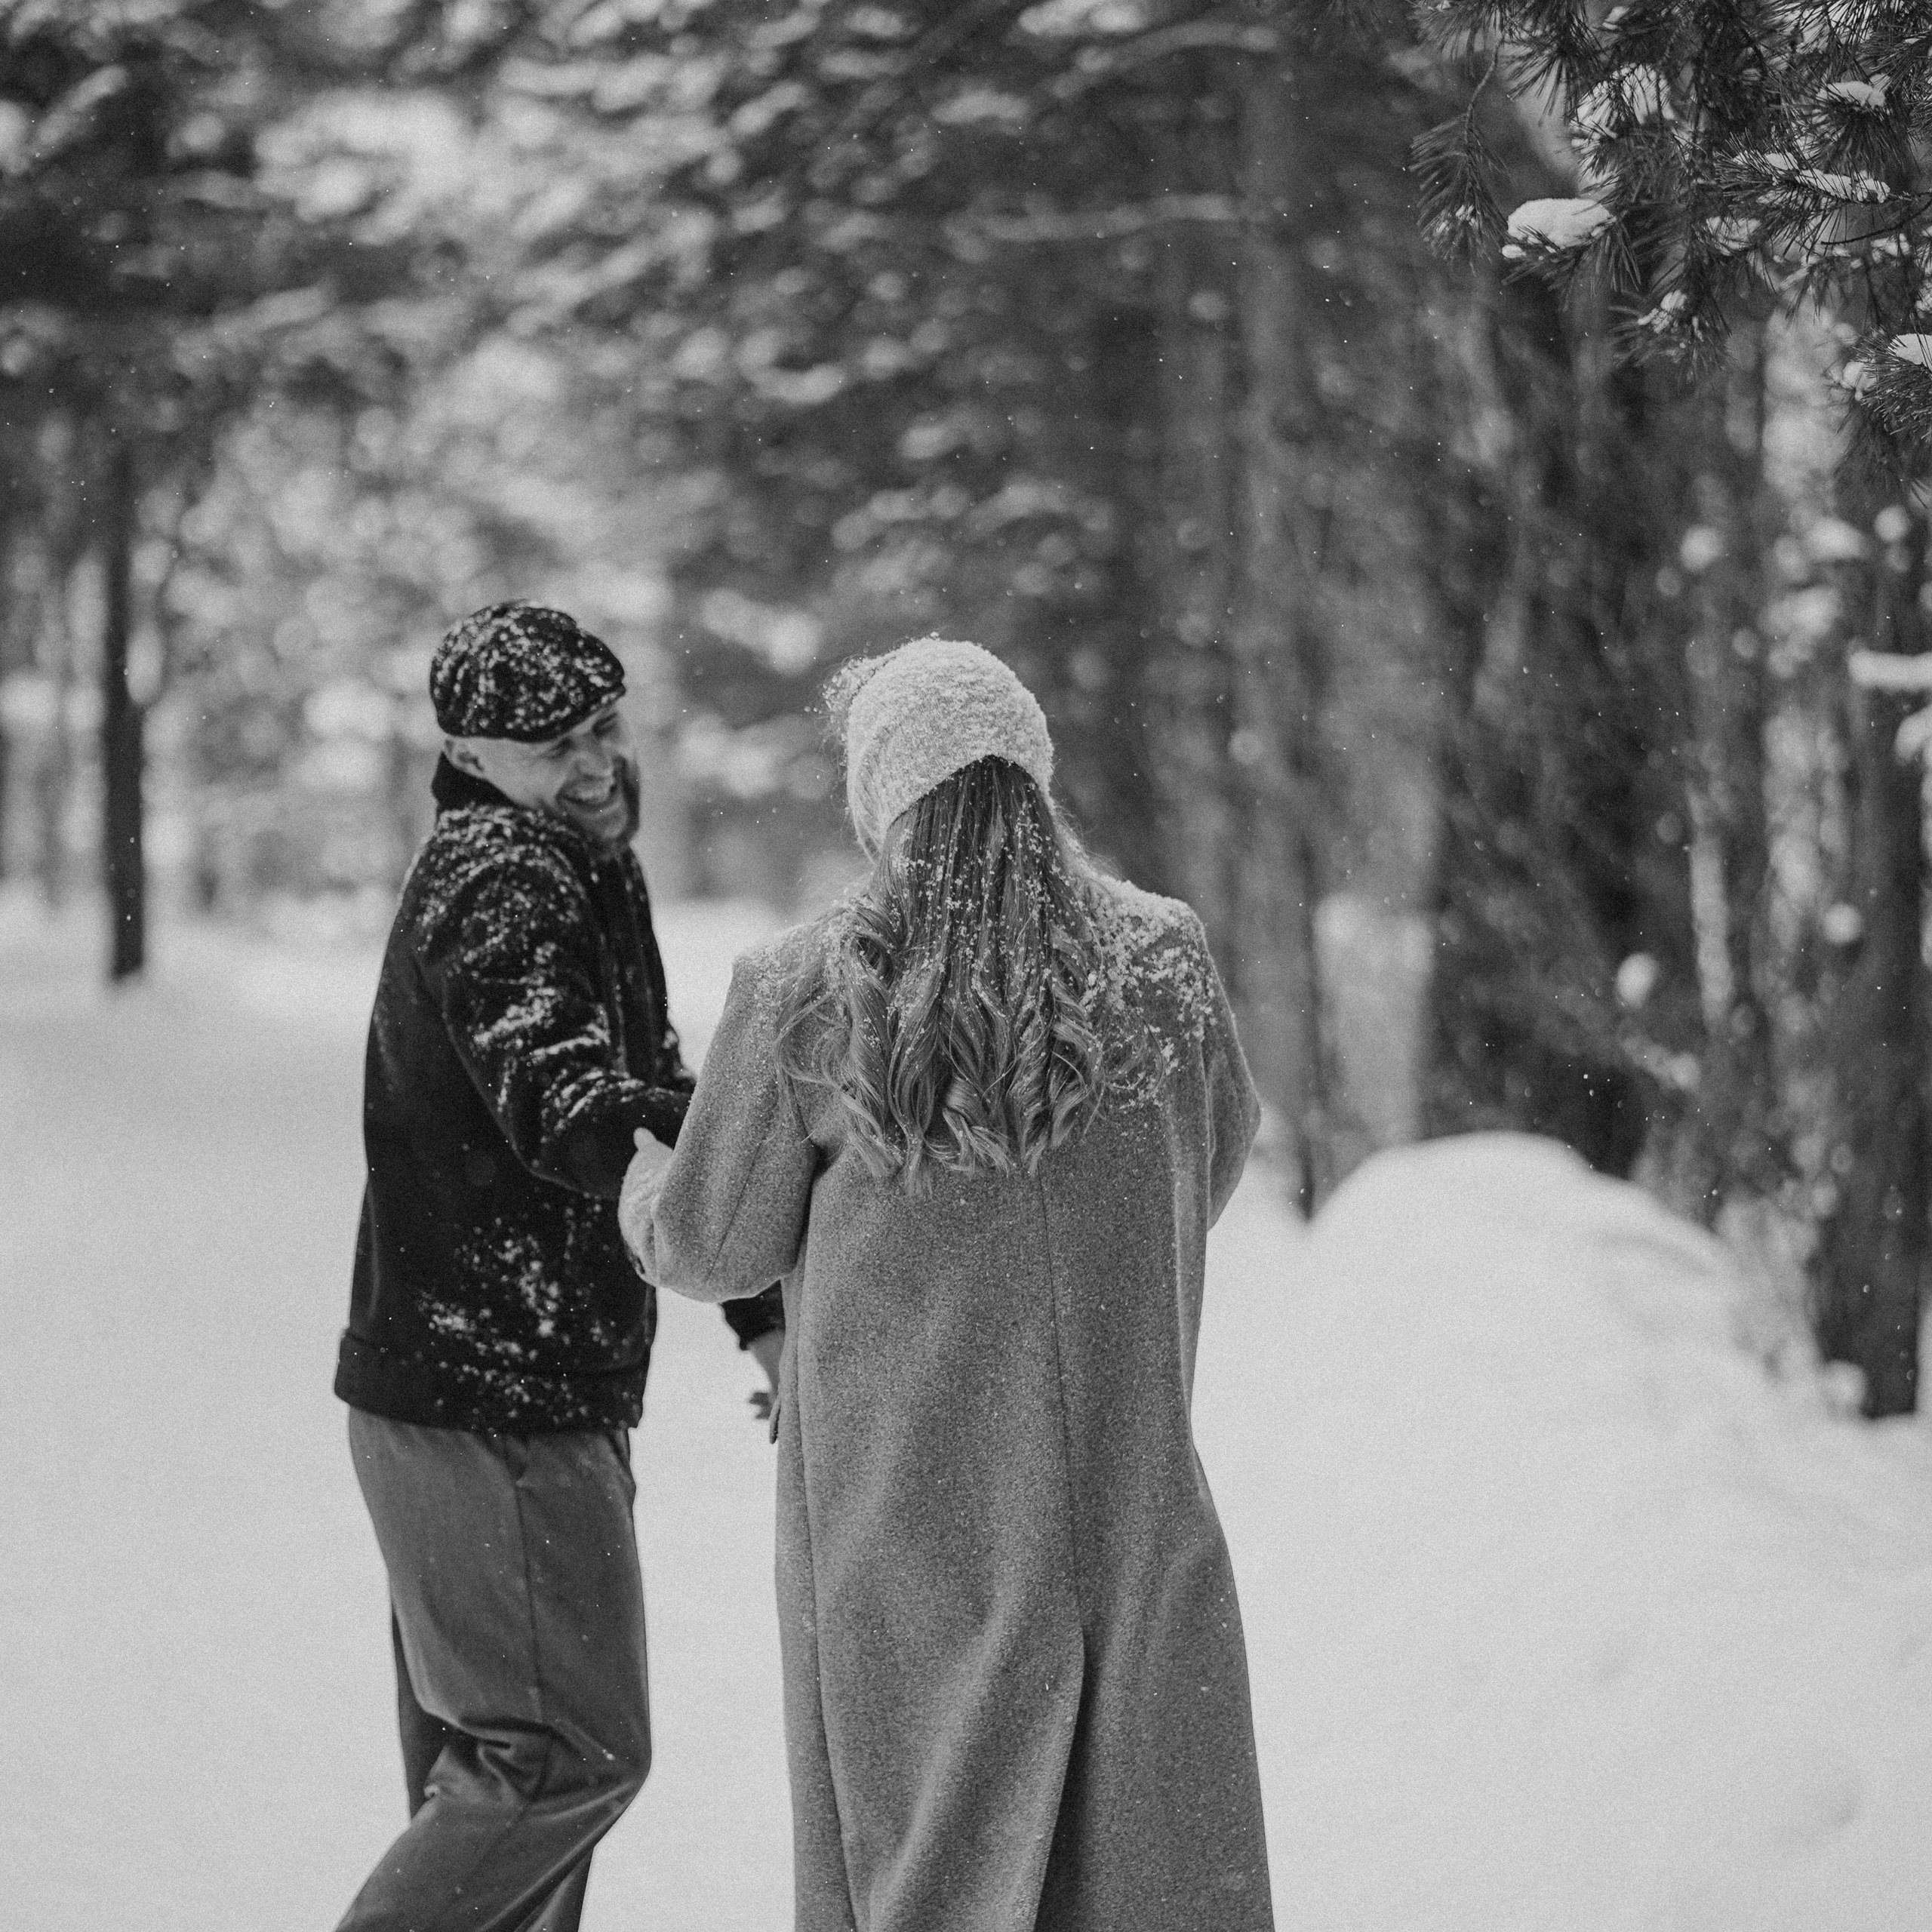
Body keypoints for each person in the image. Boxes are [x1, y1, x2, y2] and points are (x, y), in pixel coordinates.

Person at [619, 637, 1274, 1932]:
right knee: (1146, 1879)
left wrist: (642, 1176)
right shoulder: (1165, 965)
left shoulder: (806, 989)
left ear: (882, 803)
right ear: (1032, 776)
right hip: (1127, 1515)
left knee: (927, 1872)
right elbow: (1219, 1149)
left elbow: (712, 1244)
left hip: (908, 1526)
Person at [332, 601, 783, 1932]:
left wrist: (750, 1305)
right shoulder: (505, 873)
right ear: (471, 753)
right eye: (549, 749)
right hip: (493, 1402)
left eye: (601, 727)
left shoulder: (585, 862)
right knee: (561, 1762)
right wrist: (719, 1183)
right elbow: (572, 1100)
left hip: (486, 1396)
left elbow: (646, 1089)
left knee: (498, 1799)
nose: (592, 765)